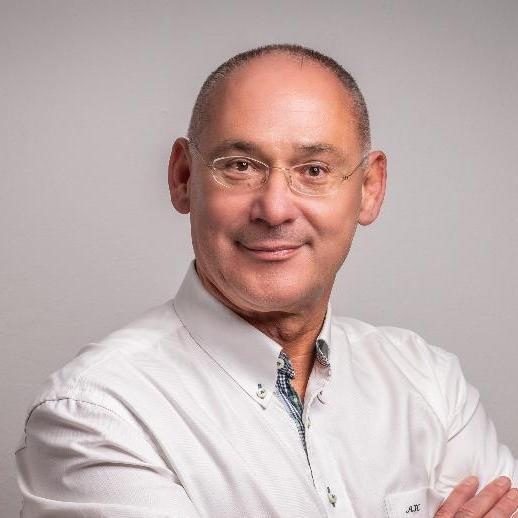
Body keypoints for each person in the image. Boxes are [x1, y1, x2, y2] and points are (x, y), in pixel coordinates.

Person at [15, 44, 518, 518]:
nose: (275, 208)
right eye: (240, 166)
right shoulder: (97, 412)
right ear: (183, 177)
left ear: (369, 188)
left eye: (314, 170)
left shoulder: (429, 382)